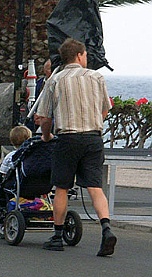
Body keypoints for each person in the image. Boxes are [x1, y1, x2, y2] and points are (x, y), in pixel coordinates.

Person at [35, 37, 116, 256]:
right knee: (94, 187)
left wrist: (46, 136)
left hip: (68, 139)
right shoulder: (97, 77)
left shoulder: (55, 80)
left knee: (61, 187)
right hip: (93, 138)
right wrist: (93, 122)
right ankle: (106, 228)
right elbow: (105, 110)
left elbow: (45, 116)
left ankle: (58, 235)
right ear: (79, 55)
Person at [0, 125, 32, 215]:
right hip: (32, 182)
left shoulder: (11, 156)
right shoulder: (32, 154)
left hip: (15, 183)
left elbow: (2, 173)